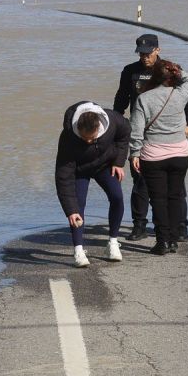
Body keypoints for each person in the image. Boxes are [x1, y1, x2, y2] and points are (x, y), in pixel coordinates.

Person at [113, 33, 188, 242]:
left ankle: (180, 228)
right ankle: (139, 225)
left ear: (157, 50)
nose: (144, 57)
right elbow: (121, 99)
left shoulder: (170, 70)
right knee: (140, 183)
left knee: (175, 188)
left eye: (148, 53)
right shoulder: (130, 72)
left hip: (171, 135)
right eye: (141, 53)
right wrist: (117, 124)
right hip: (142, 133)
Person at [128, 60, 188, 255]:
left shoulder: (144, 98)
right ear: (173, 76)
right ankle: (174, 239)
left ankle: (163, 242)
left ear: (154, 77)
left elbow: (136, 128)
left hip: (153, 155)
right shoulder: (180, 94)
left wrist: (134, 152)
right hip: (179, 153)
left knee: (158, 199)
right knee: (175, 197)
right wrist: (180, 71)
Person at [55, 101, 130, 267]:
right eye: (84, 138)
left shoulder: (112, 120)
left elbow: (125, 133)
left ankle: (112, 243)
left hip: (104, 166)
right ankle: (79, 251)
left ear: (99, 127)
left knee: (117, 197)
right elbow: (63, 175)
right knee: (77, 207)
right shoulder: (68, 137)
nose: (88, 142)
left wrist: (119, 162)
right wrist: (70, 210)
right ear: (78, 130)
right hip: (79, 171)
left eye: (92, 138)